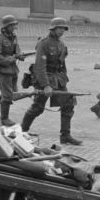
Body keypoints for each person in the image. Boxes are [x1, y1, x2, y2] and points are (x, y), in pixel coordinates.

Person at [20, 17, 82, 145]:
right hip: (45, 78)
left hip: (57, 79)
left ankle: (65, 136)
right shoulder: (44, 43)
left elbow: (62, 65)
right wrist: (46, 85)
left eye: (64, 29)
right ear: (53, 29)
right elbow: (39, 67)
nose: (62, 31)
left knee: (68, 104)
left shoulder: (61, 44)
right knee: (37, 108)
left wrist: (63, 79)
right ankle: (21, 132)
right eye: (59, 28)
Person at [0, 14, 26, 126]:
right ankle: (4, 119)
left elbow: (17, 49)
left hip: (13, 69)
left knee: (12, 94)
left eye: (15, 25)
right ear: (6, 27)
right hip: (2, 70)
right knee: (7, 95)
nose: (14, 27)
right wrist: (9, 60)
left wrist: (20, 55)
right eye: (12, 26)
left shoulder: (13, 37)